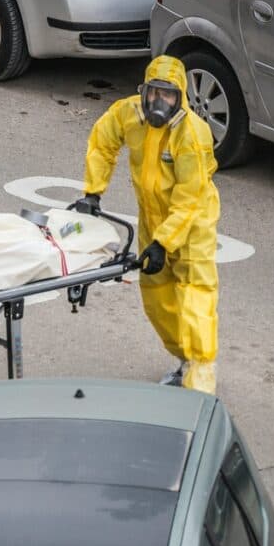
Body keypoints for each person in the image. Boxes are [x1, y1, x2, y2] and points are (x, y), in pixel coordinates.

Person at [72, 55, 220, 394]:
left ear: (180, 98)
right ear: (144, 91)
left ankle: (200, 382)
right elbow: (102, 142)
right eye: (154, 93)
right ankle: (184, 360)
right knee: (157, 295)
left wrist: (163, 243)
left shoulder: (191, 134)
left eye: (168, 96)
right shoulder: (128, 113)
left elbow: (189, 196)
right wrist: (93, 192)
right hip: (153, 216)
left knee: (196, 295)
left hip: (193, 221)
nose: (159, 103)